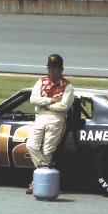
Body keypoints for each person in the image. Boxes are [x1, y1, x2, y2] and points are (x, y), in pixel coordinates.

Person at [25, 54, 74, 194]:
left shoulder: (68, 85)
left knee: (47, 151)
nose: (51, 71)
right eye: (49, 68)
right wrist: (51, 101)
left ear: (61, 69)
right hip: (40, 117)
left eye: (54, 69)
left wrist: (45, 104)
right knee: (31, 145)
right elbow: (33, 99)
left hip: (57, 118)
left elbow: (64, 106)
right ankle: (45, 175)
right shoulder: (41, 81)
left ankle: (37, 183)